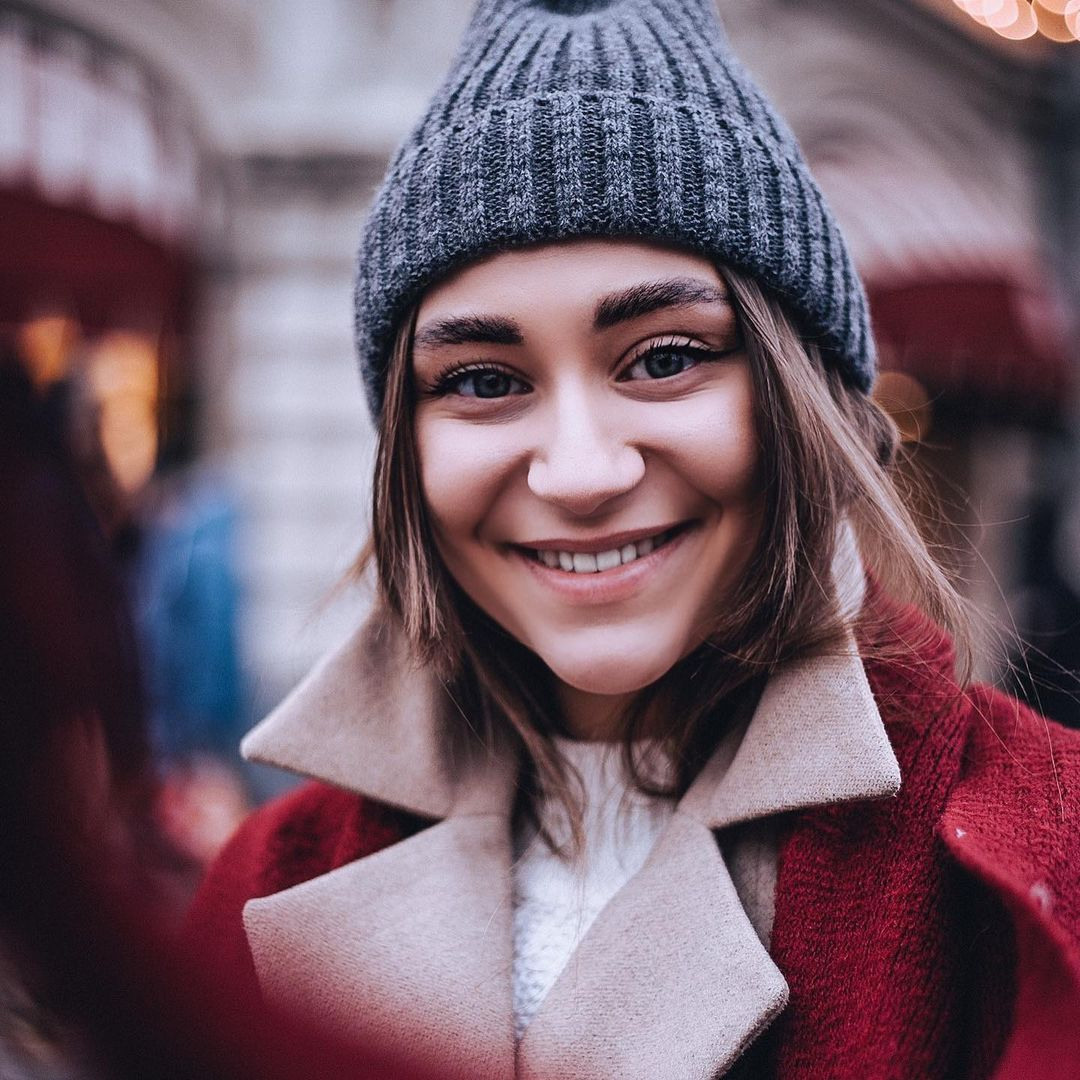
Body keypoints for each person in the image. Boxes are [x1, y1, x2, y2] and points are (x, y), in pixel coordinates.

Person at [185, 2, 1080, 1078]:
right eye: (481, 381)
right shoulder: (265, 879)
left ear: (797, 397)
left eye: (662, 358)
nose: (581, 472)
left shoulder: (1031, 852)